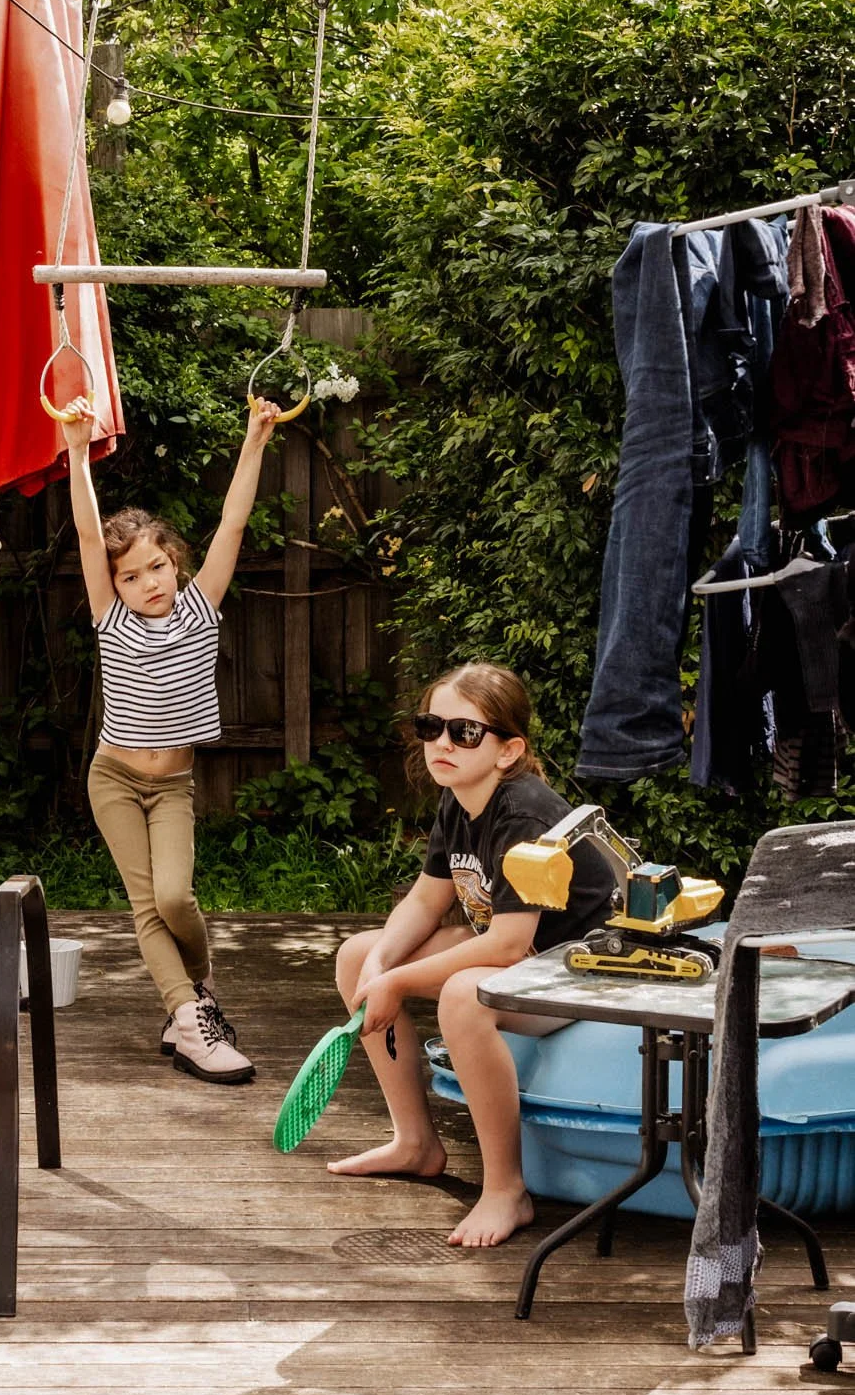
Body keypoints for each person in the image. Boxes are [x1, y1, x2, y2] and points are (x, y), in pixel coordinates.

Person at [330, 662, 616, 1247]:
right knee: (357, 955)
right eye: (430, 726)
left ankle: (506, 1188)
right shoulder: (460, 799)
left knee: (464, 997)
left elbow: (509, 943)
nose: (440, 743)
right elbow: (426, 899)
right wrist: (383, 962)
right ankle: (416, 1143)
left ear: (509, 750)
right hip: (527, 957)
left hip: (581, 970)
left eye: (463, 732)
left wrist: (401, 980)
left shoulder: (525, 814)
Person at [62, 395, 281, 1084]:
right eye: (130, 576)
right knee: (143, 903)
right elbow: (88, 537)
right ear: (115, 586)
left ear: (174, 563)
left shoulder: (199, 606)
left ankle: (200, 983)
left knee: (176, 900)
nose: (145, 582)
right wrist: (74, 450)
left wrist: (254, 439)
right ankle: (190, 1022)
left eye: (155, 567)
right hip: (115, 779)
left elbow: (234, 522)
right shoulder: (111, 621)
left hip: (174, 784)